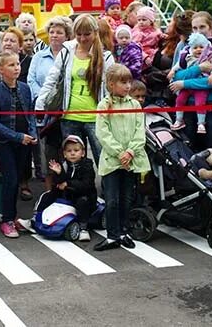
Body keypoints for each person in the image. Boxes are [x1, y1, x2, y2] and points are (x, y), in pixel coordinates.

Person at [35, 14, 114, 164]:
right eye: (79, 34)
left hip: (96, 118)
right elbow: (52, 78)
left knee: (103, 161)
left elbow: (111, 86)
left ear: (95, 32)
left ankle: (106, 188)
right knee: (73, 163)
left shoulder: (106, 56)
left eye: (87, 34)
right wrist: (40, 103)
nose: (83, 38)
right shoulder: (66, 52)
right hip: (69, 118)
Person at [93, 64, 149, 251]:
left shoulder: (135, 105)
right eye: (122, 82)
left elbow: (139, 131)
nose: (127, 86)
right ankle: (112, 235)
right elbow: (102, 133)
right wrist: (119, 153)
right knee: (112, 200)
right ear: (110, 84)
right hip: (112, 161)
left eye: (129, 82)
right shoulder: (104, 105)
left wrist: (131, 151)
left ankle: (124, 232)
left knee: (126, 198)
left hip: (130, 160)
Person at [168, 12, 212, 149]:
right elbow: (175, 76)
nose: (198, 31)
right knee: (191, 153)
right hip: (188, 105)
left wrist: (185, 83)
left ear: (211, 27)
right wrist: (199, 69)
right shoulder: (184, 46)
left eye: (202, 27)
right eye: (194, 28)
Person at [0, 52, 37, 238]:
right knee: (10, 179)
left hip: (24, 141)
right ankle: (7, 219)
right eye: (11, 65)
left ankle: (13, 215)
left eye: (17, 64)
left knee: (18, 179)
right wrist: (17, 137)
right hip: (6, 143)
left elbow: (30, 114)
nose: (16, 67)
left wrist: (32, 133)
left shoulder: (25, 88)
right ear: (1, 69)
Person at [28, 16, 73, 188]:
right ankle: (50, 194)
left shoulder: (71, 56)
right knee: (48, 153)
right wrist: (45, 99)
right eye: (52, 32)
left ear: (67, 35)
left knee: (69, 152)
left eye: (59, 32)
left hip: (67, 112)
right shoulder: (39, 56)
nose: (54, 35)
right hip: (45, 114)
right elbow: (31, 80)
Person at [40, 135, 97, 242]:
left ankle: (83, 228)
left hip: (84, 196)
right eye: (69, 151)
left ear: (83, 153)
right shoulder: (65, 165)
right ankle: (37, 217)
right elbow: (58, 183)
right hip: (68, 196)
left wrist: (68, 184)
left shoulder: (87, 166)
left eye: (76, 150)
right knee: (48, 195)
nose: (72, 153)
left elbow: (87, 185)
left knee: (82, 201)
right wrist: (59, 173)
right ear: (65, 154)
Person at [169, 32, 212, 133]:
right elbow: (178, 66)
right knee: (180, 100)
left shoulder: (209, 57)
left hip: (200, 86)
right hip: (187, 86)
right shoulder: (187, 57)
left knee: (200, 103)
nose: (198, 50)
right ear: (191, 49)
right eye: (195, 47)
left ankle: (201, 123)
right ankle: (179, 120)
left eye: (201, 47)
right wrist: (172, 71)